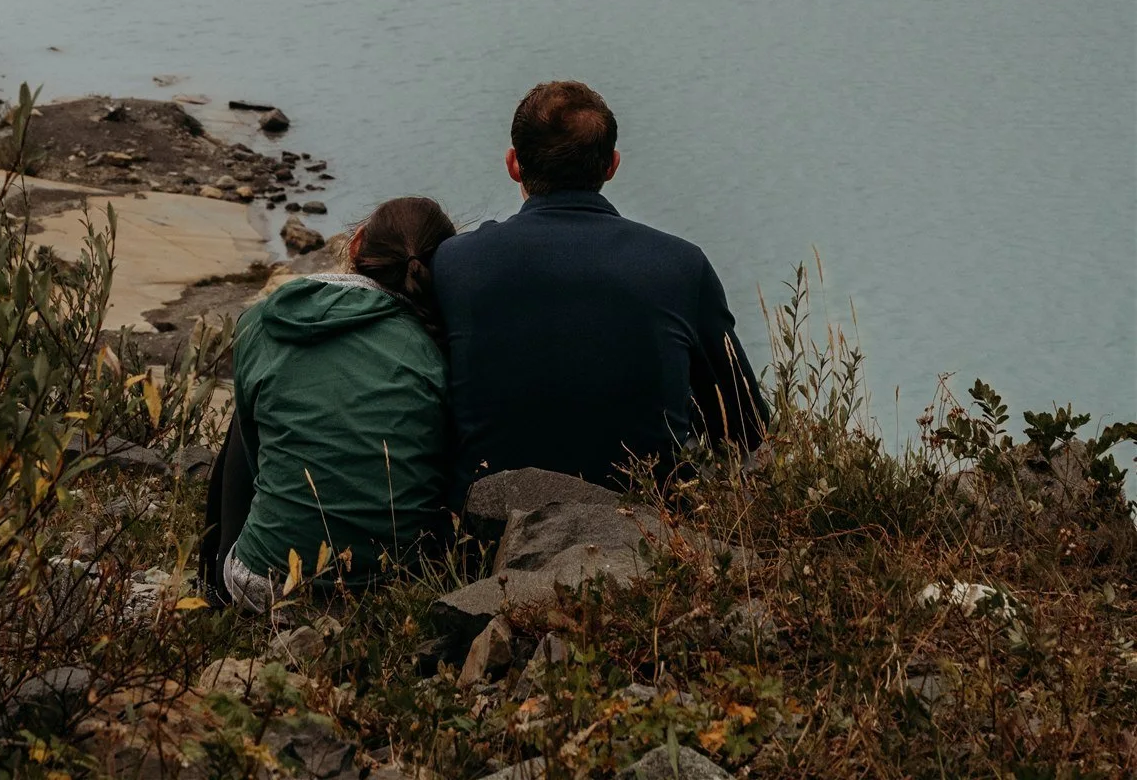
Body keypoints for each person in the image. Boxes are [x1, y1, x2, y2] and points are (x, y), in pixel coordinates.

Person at [432, 81, 767, 496]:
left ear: (513, 164)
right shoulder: (680, 265)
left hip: (490, 518)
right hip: (646, 517)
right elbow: (745, 427)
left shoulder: (455, 263)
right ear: (611, 165)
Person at [200, 195, 455, 610]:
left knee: (246, 423)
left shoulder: (262, 320)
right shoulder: (439, 344)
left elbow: (254, 453)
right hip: (399, 587)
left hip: (264, 583)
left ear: (355, 245)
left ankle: (218, 580)